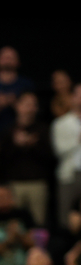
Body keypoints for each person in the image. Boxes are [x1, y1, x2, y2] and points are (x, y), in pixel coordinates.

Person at [0, 93, 53, 226]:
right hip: (14, 184)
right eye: (27, 104)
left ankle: (38, 247)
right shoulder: (8, 131)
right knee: (15, 223)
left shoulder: (43, 129)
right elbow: (1, 159)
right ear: (18, 106)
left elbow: (50, 158)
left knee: (39, 223)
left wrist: (32, 145)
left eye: (34, 105)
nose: (30, 108)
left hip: (37, 183)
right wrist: (17, 145)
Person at [0, 47, 34, 136]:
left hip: (20, 136)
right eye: (4, 57)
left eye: (11, 58)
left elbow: (34, 113)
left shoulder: (26, 85)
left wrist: (16, 104)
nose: (7, 60)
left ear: (18, 62)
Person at [51, 84, 81, 228]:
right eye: (79, 94)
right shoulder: (60, 123)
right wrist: (77, 141)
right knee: (66, 218)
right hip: (69, 175)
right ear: (73, 98)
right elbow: (58, 150)